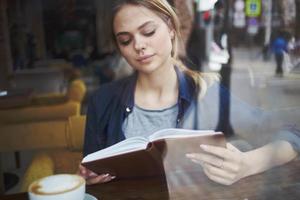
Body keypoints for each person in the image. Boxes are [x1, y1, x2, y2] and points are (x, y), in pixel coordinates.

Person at [78, 0, 299, 185]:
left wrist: (247, 164)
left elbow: (292, 133)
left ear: (171, 29)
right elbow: (90, 171)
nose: (139, 45)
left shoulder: (206, 93)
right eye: (125, 40)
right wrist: (88, 176)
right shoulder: (102, 101)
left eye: (148, 32)